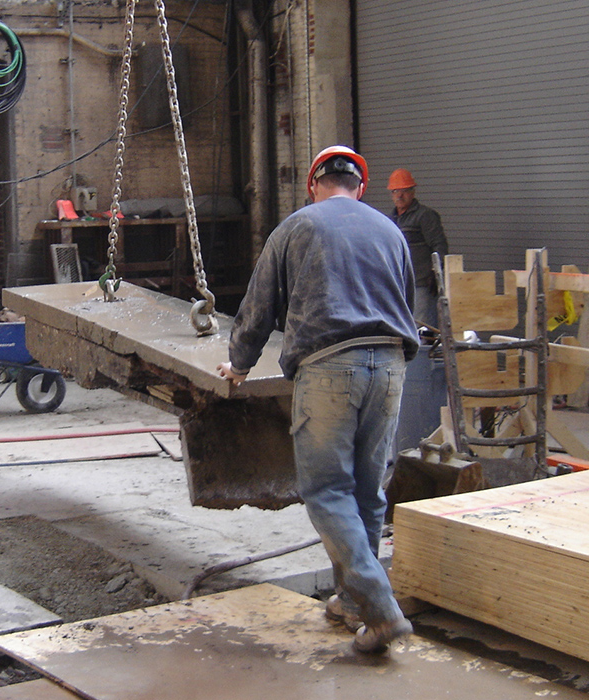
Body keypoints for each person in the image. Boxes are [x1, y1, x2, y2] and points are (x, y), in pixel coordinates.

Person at [217, 146, 418, 655]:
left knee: (328, 490)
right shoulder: (390, 231)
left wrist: (239, 364)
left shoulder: (296, 227)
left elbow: (259, 305)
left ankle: (380, 607)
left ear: (313, 184)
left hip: (330, 367)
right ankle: (353, 605)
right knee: (369, 493)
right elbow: (406, 300)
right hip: (391, 365)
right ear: (362, 187)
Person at [386, 168, 448, 327]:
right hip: (399, 284)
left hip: (422, 285)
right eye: (395, 191)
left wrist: (436, 273)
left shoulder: (425, 216)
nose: (399, 195)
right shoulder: (391, 220)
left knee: (423, 329)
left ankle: (425, 353)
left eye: (404, 191)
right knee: (402, 327)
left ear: (413, 192)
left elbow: (439, 245)